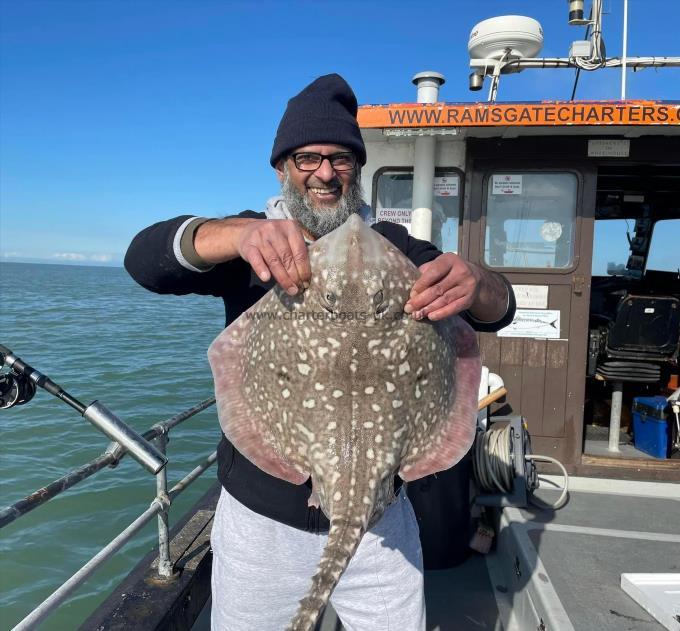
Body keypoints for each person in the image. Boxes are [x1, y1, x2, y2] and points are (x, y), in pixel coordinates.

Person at [125, 73, 515, 631]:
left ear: (357, 168)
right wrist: (234, 236)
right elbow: (145, 261)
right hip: (261, 522)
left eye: (341, 159)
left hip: (385, 519)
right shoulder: (253, 243)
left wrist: (476, 280)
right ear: (282, 168)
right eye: (307, 158)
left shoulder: (400, 249)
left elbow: (499, 309)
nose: (325, 173)